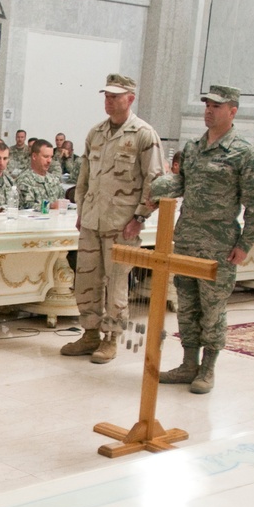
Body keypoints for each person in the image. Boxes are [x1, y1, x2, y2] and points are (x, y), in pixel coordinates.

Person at [153, 85, 254, 394]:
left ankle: (208, 368)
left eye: (216, 105)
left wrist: (245, 244)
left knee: (212, 310)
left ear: (233, 111)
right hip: (187, 241)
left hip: (219, 247)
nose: (208, 110)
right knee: (187, 307)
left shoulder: (244, 153)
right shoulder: (192, 148)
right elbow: (181, 184)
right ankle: (189, 364)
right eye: (206, 104)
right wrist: (154, 188)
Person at [61, 74, 165, 364]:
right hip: (93, 221)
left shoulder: (144, 135)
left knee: (117, 284)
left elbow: (155, 182)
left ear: (130, 99)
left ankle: (112, 339)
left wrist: (140, 218)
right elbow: (84, 178)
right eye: (106, 95)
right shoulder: (96, 133)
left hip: (122, 224)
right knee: (87, 281)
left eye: (115, 96)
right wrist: (82, 210)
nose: (108, 100)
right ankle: (90, 334)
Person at [14, 139, 64, 210]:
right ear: (34, 156)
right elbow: (26, 206)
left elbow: (61, 201)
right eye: (46, 157)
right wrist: (50, 206)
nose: (49, 161)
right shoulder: (25, 180)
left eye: (51, 157)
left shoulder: (53, 180)